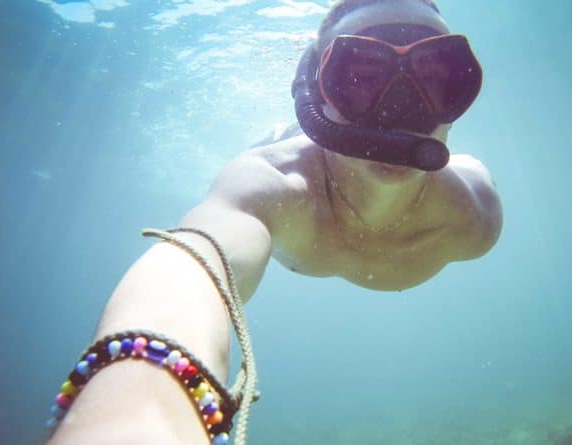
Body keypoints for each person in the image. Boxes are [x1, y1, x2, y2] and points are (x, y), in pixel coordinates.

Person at [46, 0, 502, 444]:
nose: (400, 110)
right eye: (362, 76)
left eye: (435, 75)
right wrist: (137, 406)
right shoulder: (272, 187)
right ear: (314, 86)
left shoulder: (474, 215)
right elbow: (196, 257)